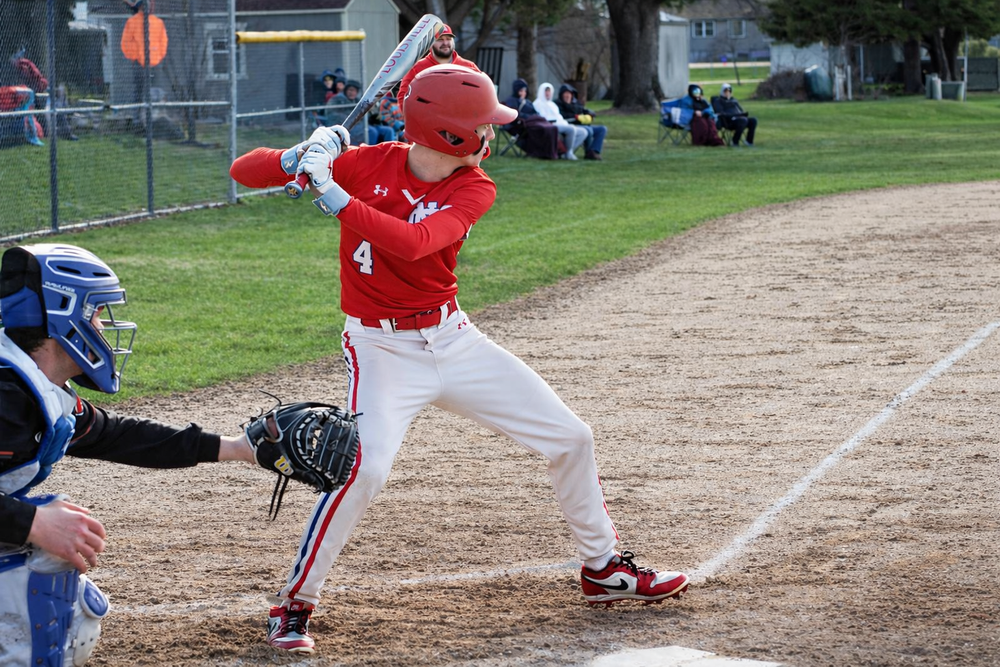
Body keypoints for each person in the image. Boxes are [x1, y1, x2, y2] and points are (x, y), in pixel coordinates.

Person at [229, 64, 690, 656]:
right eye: (481, 125)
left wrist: (332, 194)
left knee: (571, 437)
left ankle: (603, 570)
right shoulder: (361, 162)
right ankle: (295, 604)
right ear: (448, 133)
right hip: (381, 347)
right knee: (362, 470)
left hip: (454, 340)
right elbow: (246, 171)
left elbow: (416, 243)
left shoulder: (474, 186)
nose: (491, 134)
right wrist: (307, 152)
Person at [0, 243, 258, 666]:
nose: (103, 328)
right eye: (96, 314)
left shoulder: (29, 388)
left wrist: (237, 448)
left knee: (63, 592)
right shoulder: (6, 399)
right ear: (65, 315)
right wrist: (33, 523)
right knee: (41, 579)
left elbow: (118, 436)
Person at [397, 24, 479, 117]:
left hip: (462, 124)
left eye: (448, 39)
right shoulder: (417, 69)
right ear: (430, 43)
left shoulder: (469, 67)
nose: (445, 43)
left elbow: (482, 94)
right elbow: (404, 98)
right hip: (428, 125)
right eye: (440, 39)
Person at [501, 78, 559, 160]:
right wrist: (528, 117)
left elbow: (535, 112)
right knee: (542, 129)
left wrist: (534, 117)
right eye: (521, 90)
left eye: (524, 91)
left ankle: (551, 152)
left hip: (533, 121)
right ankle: (539, 152)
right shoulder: (511, 100)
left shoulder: (528, 102)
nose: (523, 93)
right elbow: (515, 114)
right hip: (520, 124)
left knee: (552, 128)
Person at [324, 79, 395, 145]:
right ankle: (369, 154)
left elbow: (364, 114)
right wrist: (351, 119)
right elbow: (331, 114)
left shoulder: (357, 100)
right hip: (348, 126)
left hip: (363, 124)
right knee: (372, 132)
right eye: (350, 90)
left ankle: (388, 153)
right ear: (345, 90)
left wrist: (372, 118)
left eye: (355, 91)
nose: (352, 93)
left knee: (388, 131)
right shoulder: (336, 99)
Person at [533, 82, 587, 160]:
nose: (548, 93)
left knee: (583, 132)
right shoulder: (537, 104)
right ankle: (568, 153)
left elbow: (559, 117)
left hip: (560, 123)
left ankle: (566, 152)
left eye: (549, 91)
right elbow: (541, 118)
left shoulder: (552, 104)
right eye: (546, 91)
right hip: (549, 125)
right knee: (571, 129)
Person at [555, 83, 607, 160]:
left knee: (602, 129)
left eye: (569, 94)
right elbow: (562, 117)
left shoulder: (576, 104)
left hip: (582, 124)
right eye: (565, 93)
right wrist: (576, 117)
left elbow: (585, 110)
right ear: (561, 95)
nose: (567, 96)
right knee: (588, 130)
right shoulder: (558, 104)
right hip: (572, 125)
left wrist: (590, 114)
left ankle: (595, 150)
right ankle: (589, 152)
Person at [712, 82, 757, 147]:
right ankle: (735, 141)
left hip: (740, 118)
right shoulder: (718, 101)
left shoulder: (734, 100)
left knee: (753, 120)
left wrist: (742, 114)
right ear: (722, 91)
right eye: (725, 91)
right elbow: (721, 113)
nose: (727, 93)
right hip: (729, 122)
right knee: (743, 120)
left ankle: (749, 141)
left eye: (729, 91)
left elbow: (740, 110)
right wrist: (733, 115)